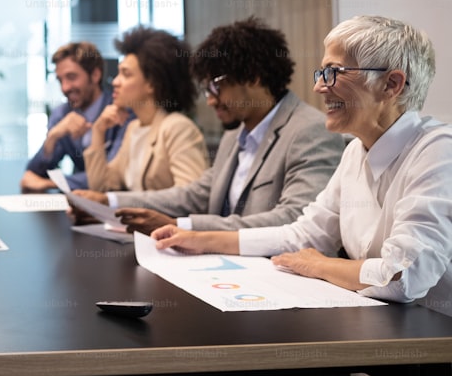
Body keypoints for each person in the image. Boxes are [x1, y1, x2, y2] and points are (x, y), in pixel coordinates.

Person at [154, 15, 452, 315]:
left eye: (334, 72)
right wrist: (200, 240)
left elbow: (404, 277)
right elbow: (303, 235)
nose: (320, 87)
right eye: (321, 73)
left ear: (391, 84)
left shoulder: (439, 151)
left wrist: (320, 264)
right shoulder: (355, 153)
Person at [72, 17, 345, 234]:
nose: (212, 101)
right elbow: (193, 195)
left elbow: (294, 220)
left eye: (217, 86)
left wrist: (184, 227)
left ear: (253, 78)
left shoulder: (309, 130)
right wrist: (110, 203)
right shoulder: (236, 136)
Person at [84, 26, 209, 192]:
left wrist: (122, 202)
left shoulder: (177, 128)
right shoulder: (134, 128)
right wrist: (98, 130)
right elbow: (102, 188)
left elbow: (191, 196)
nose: (115, 82)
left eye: (126, 74)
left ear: (152, 83)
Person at [20, 41, 130, 192]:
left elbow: (111, 176)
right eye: (60, 80)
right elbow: (33, 174)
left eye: (71, 77)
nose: (64, 88)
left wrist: (52, 183)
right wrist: (52, 137)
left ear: (95, 75)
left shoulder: (121, 112)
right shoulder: (62, 114)